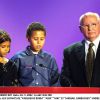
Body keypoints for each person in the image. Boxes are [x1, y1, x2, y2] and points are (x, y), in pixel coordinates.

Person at [11, 22, 60, 86]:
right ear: (28, 38)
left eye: (42, 39)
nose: (39, 42)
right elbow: (10, 79)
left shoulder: (50, 59)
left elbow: (56, 82)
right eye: (35, 39)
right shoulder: (18, 58)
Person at [60, 12, 100, 87]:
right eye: (86, 25)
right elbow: (65, 78)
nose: (90, 28)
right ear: (80, 29)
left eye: (93, 24)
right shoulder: (69, 51)